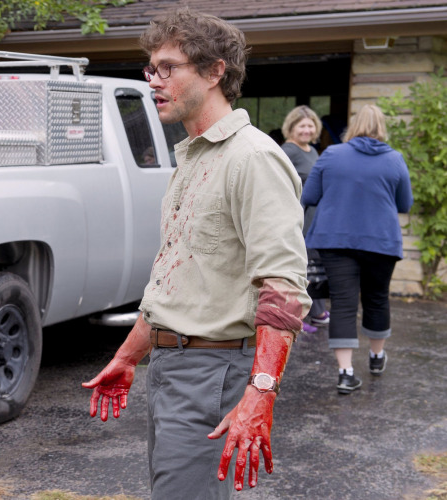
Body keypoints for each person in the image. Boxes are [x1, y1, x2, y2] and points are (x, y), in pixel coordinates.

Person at [82, 8, 312, 500]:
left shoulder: (253, 158)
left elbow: (283, 288)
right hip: (170, 369)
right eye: (150, 69)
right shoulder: (192, 157)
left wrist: (261, 391)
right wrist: (128, 356)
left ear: (214, 72)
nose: (153, 81)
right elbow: (175, 280)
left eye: (168, 67)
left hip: (213, 372)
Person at [301, 104, 413, 395]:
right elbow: (405, 204)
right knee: (377, 299)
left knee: (343, 303)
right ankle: (376, 357)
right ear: (382, 127)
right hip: (381, 242)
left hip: (335, 240)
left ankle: (345, 373)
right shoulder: (395, 159)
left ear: (352, 127)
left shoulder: (332, 155)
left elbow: (310, 195)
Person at [281, 105, 330, 334]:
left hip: (313, 216)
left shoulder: (312, 150)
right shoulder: (288, 150)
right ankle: (301, 318)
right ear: (292, 127)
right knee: (301, 265)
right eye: (302, 125)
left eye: (310, 125)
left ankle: (317, 311)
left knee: (313, 263)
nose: (307, 130)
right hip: (296, 215)